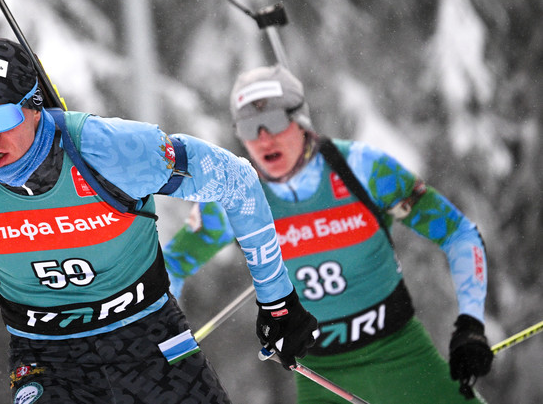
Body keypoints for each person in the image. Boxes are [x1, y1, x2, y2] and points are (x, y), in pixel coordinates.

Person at [0, 37, 318, 404]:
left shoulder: (107, 150)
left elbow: (236, 180)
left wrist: (278, 302)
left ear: (36, 106)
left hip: (148, 338)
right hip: (44, 357)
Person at [163, 65, 494, 403]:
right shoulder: (235, 197)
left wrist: (471, 324)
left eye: (274, 121)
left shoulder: (363, 169)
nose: (264, 138)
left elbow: (458, 233)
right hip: (319, 377)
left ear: (300, 118)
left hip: (402, 354)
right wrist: (165, 347)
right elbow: (169, 266)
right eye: (249, 128)